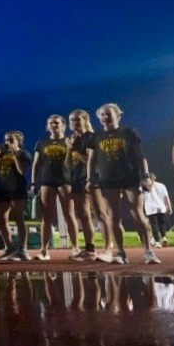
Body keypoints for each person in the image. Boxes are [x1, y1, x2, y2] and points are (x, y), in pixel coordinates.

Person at [86, 102, 159, 264]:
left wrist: (146, 175)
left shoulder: (128, 132)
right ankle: (120, 252)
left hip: (129, 177)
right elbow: (91, 160)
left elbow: (140, 156)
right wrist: (89, 178)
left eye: (108, 113)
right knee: (113, 217)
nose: (105, 117)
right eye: (102, 114)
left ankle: (148, 251)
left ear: (117, 115)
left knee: (138, 214)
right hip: (107, 180)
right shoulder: (95, 136)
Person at [30, 115, 79, 260]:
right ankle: (44, 250)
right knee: (46, 216)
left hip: (65, 180)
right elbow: (36, 164)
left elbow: (75, 161)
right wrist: (33, 183)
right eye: (50, 123)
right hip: (47, 181)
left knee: (69, 215)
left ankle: (75, 247)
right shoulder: (42, 142)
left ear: (63, 125)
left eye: (56, 123)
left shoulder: (69, 141)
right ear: (47, 126)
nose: (53, 125)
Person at [64, 109, 104, 261]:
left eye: (77, 119)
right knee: (83, 215)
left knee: (100, 214)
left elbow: (90, 161)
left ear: (85, 119)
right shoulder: (74, 139)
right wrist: (69, 148)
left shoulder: (91, 137)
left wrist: (74, 149)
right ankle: (90, 249)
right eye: (72, 120)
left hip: (90, 178)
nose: (74, 123)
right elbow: (67, 165)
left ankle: (109, 249)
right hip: (76, 179)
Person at [0, 131, 32, 261]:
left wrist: (14, 155)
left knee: (19, 218)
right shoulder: (2, 154)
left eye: (11, 140)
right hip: (2, 189)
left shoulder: (24, 154)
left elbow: (22, 171)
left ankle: (23, 250)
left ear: (18, 141)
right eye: (6, 140)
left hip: (17, 189)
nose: (7, 143)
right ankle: (9, 247)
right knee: (1, 219)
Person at [143, 174, 172, 248]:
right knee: (161, 224)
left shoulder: (144, 186)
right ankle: (164, 237)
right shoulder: (162, 186)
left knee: (154, 225)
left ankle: (157, 241)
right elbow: (166, 197)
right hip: (161, 208)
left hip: (151, 208)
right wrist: (169, 207)